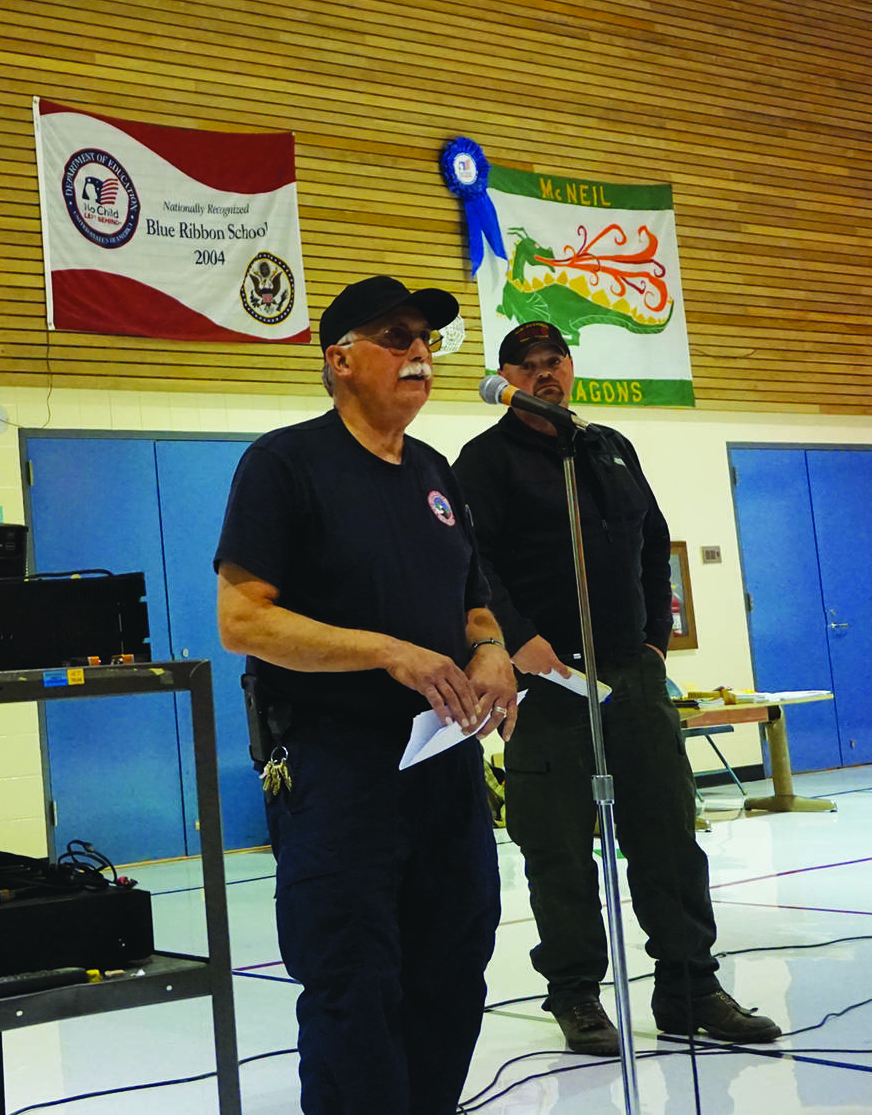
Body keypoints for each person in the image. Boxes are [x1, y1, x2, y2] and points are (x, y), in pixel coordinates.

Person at [217, 275, 517, 1115]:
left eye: (426, 339)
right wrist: (386, 652)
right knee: (355, 975)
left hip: (444, 762)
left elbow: (474, 600)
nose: (419, 351)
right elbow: (242, 620)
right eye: (396, 336)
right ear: (340, 359)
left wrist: (489, 650)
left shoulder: (435, 473)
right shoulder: (284, 464)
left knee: (454, 960)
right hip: (335, 768)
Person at [454, 321, 781, 1055]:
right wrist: (516, 636)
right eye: (527, 366)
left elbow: (650, 547)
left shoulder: (608, 448)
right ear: (506, 378)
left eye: (554, 362)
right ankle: (575, 992)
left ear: (570, 368)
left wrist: (654, 645)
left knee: (669, 833)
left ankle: (689, 985)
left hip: (631, 678)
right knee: (560, 849)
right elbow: (472, 565)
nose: (545, 375)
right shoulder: (483, 462)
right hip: (548, 682)